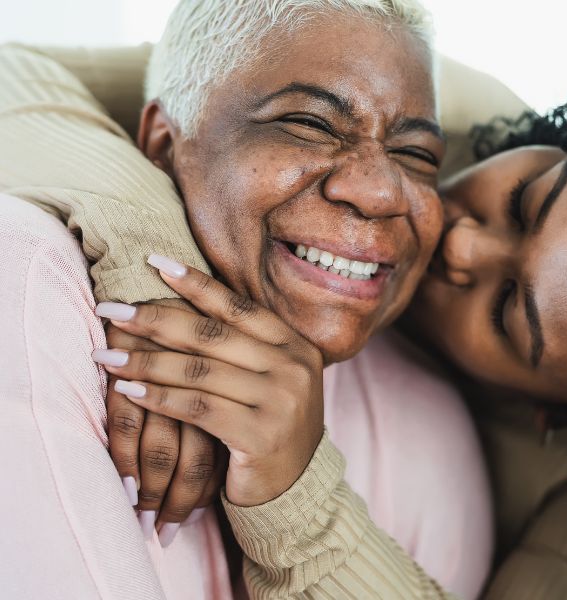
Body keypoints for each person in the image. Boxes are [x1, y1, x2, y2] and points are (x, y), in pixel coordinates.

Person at [72, 51, 567, 599]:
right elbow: (33, 75)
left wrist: (297, 492)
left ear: (552, 412)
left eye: (508, 309)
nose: (461, 243)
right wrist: (148, 268)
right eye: (524, 201)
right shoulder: (444, 114)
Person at [0, 1, 508, 598]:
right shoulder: (32, 288)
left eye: (416, 155)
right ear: (164, 143)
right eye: (310, 124)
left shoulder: (434, 429)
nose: (378, 191)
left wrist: (296, 507)